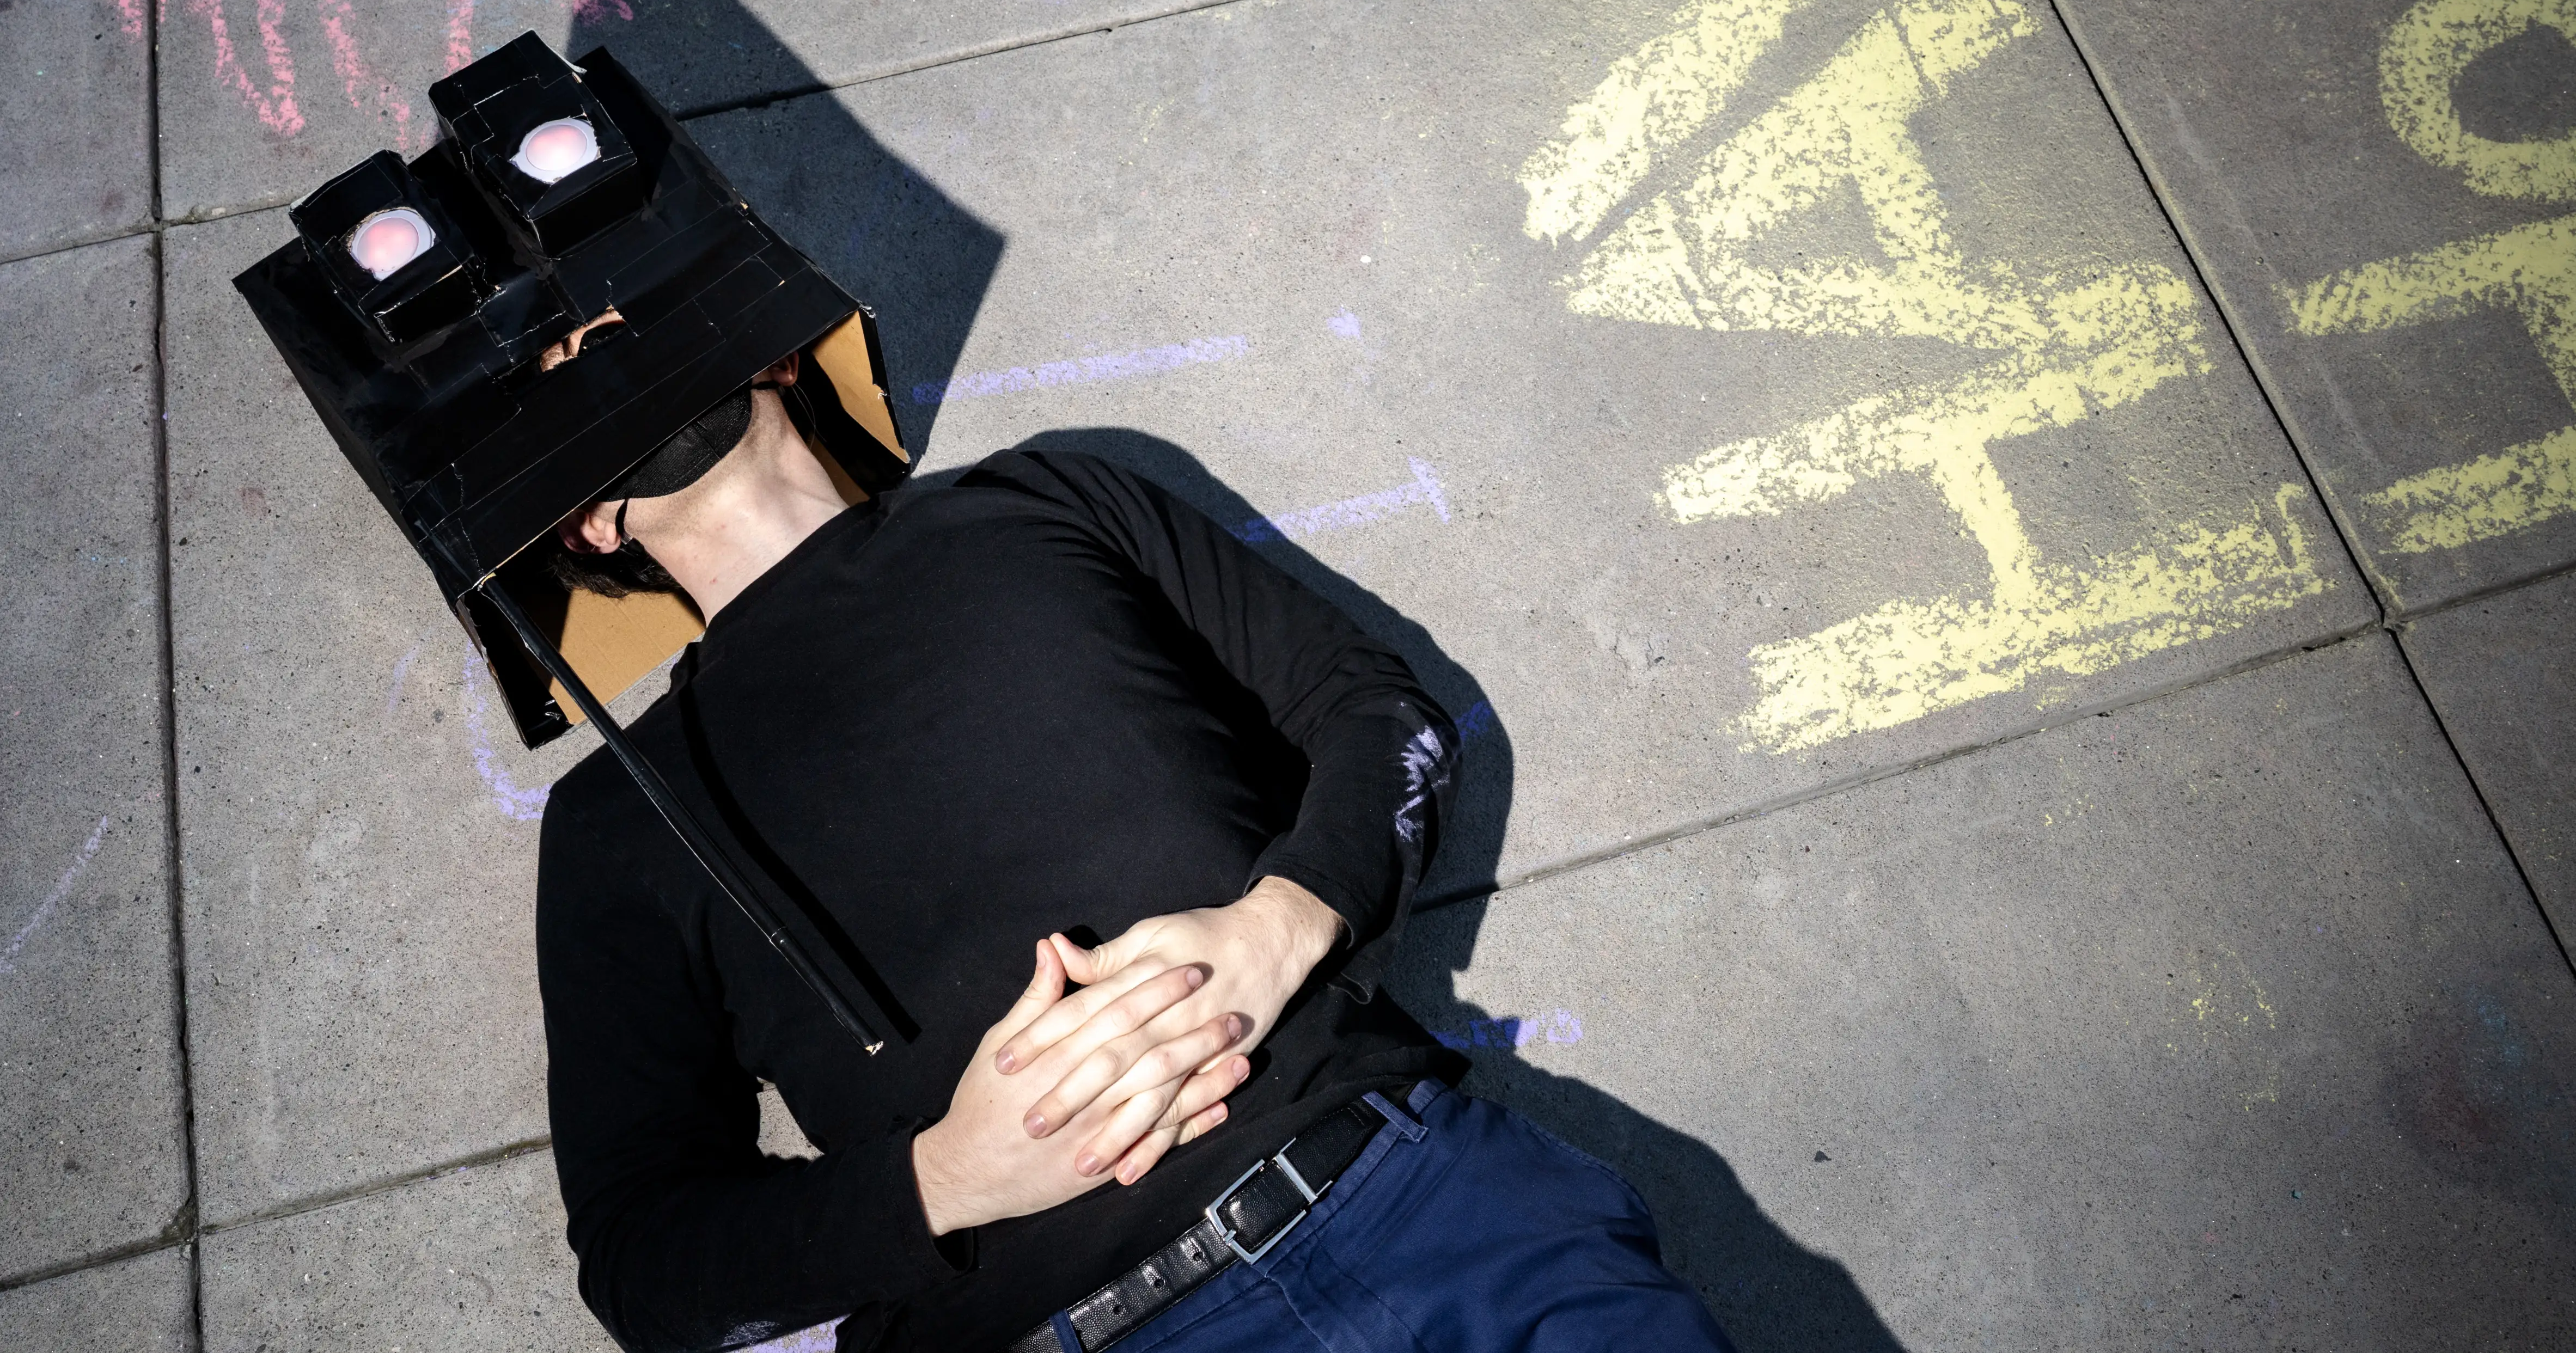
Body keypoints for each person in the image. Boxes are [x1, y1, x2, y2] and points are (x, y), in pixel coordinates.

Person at [534, 348, 1740, 1353]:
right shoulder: (615, 822)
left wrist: (1278, 925)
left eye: (623, 329)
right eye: (567, 387)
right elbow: (645, 1263)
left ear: (770, 351)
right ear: (582, 522)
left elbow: (1381, 713)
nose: (609, 368)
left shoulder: (1044, 495)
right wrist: (947, 1178)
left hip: (1426, 1211)